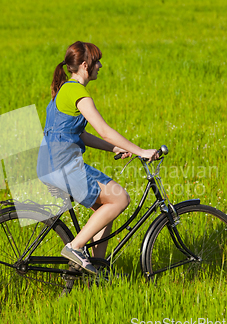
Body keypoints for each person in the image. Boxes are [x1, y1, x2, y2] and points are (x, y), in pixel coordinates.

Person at [37, 41, 158, 275]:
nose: (100, 65)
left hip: (50, 164)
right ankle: (75, 247)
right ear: (85, 65)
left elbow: (78, 133)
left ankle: (96, 273)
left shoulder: (64, 90)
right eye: (97, 62)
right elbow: (103, 129)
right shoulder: (78, 93)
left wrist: (112, 149)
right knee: (120, 198)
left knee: (106, 207)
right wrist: (141, 151)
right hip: (63, 165)